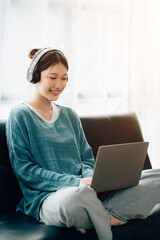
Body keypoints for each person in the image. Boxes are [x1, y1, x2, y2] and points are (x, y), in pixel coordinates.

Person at [5, 48, 160, 240]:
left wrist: (92, 181)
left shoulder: (70, 115)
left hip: (88, 191)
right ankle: (111, 218)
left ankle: (102, 214)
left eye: (64, 78)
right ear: (35, 75)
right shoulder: (20, 115)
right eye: (53, 77)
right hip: (50, 198)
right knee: (75, 198)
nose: (59, 85)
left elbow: (86, 158)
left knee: (156, 177)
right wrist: (76, 183)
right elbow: (25, 170)